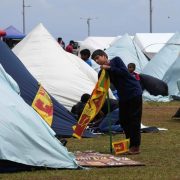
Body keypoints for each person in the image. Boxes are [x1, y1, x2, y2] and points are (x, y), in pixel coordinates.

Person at [91, 49, 143, 155]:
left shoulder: (116, 61)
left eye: (97, 58)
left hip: (133, 92)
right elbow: (102, 83)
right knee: (124, 120)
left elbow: (124, 73)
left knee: (134, 120)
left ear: (104, 56)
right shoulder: (102, 71)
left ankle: (135, 146)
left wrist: (109, 68)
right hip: (123, 96)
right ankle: (129, 143)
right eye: (95, 60)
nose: (97, 61)